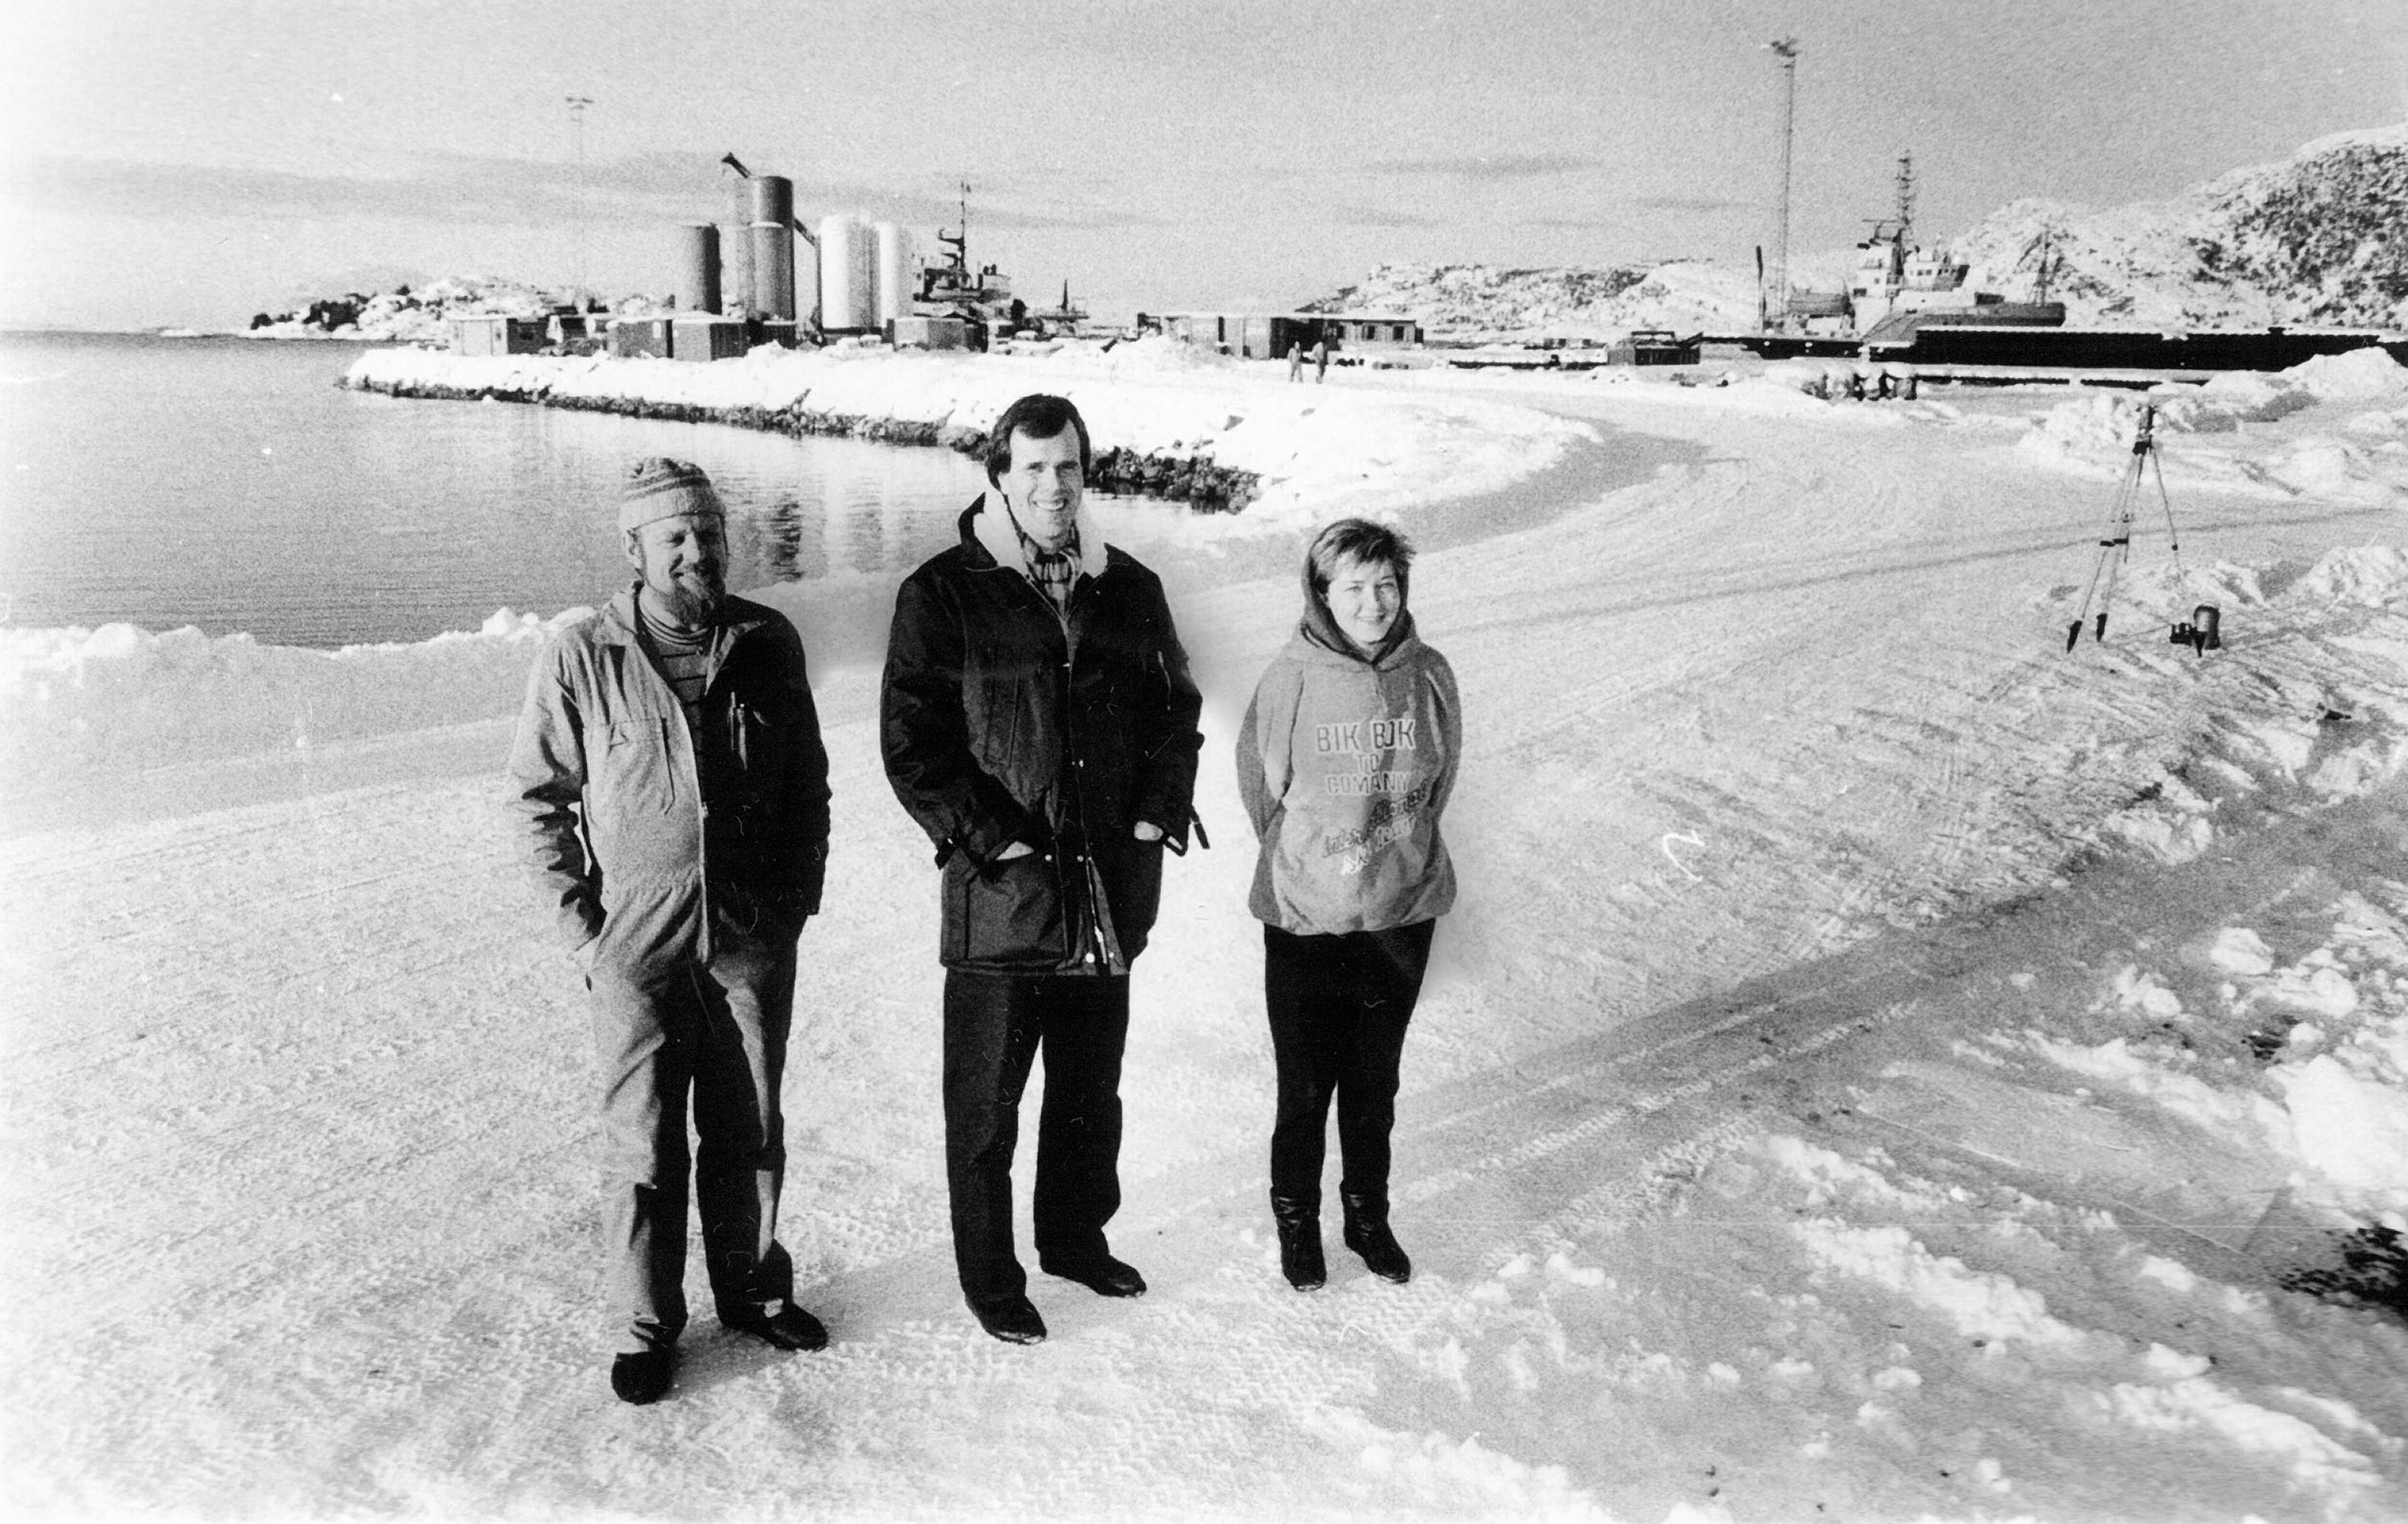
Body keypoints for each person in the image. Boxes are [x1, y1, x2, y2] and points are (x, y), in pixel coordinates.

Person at [507, 456, 832, 1406]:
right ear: (636, 550)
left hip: (748, 935)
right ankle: (646, 1326)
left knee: (751, 1128)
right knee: (644, 1144)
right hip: (637, 943)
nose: (699, 551)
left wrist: (793, 904)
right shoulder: (581, 654)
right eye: (676, 537)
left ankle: (752, 1294)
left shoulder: (767, 641)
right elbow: (536, 798)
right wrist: (583, 932)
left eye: (710, 533)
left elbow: (808, 781)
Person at [880, 393, 1204, 1345]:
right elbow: (913, 746)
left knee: (1087, 1090)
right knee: (985, 1107)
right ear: (999, 479)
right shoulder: (942, 593)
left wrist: (1154, 812)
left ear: (1084, 471)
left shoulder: (1130, 587)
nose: (1052, 486)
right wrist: (994, 837)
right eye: (1032, 469)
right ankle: (991, 1279)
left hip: (1105, 887)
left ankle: (1074, 1238)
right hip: (1004, 897)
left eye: (1066, 467)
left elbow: (1173, 711)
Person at [1235, 518, 1459, 1291]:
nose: (1373, 603)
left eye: (1387, 585)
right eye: (1355, 588)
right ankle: (1297, 1223)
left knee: (1375, 1081)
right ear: (1323, 593)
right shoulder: (1290, 675)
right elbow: (1260, 788)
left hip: (1400, 914)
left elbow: (1440, 779)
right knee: (1304, 1087)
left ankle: (1368, 1218)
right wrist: (1317, 864)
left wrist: (1393, 858)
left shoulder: (1429, 672)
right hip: (1307, 916)